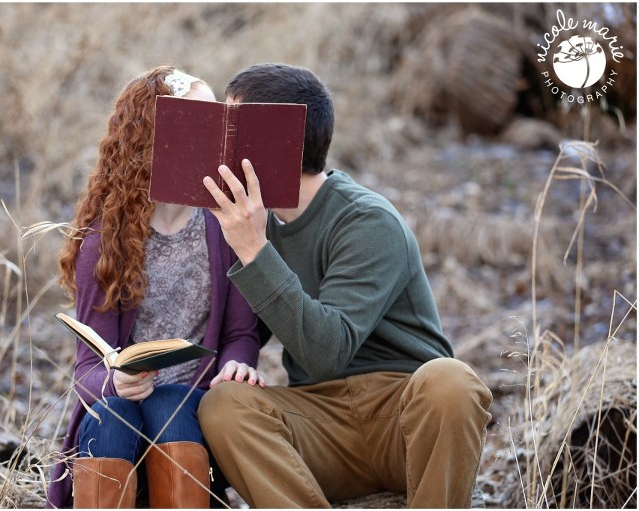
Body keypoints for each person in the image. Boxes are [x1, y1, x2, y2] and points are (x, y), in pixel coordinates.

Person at [198, 63, 493, 508]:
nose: (223, 145)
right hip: (319, 424)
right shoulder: (254, 226)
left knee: (452, 382)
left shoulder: (367, 220)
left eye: (234, 129)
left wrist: (255, 250)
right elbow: (237, 332)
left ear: (276, 141)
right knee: (224, 407)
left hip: (404, 416)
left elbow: (325, 351)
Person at [46, 65, 264, 509]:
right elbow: (87, 369)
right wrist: (114, 382)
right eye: (202, 121)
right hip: (121, 415)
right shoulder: (105, 241)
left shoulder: (225, 226)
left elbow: (241, 335)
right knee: (111, 415)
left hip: (190, 411)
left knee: (168, 402)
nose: (218, 135)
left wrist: (238, 366)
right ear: (157, 137)